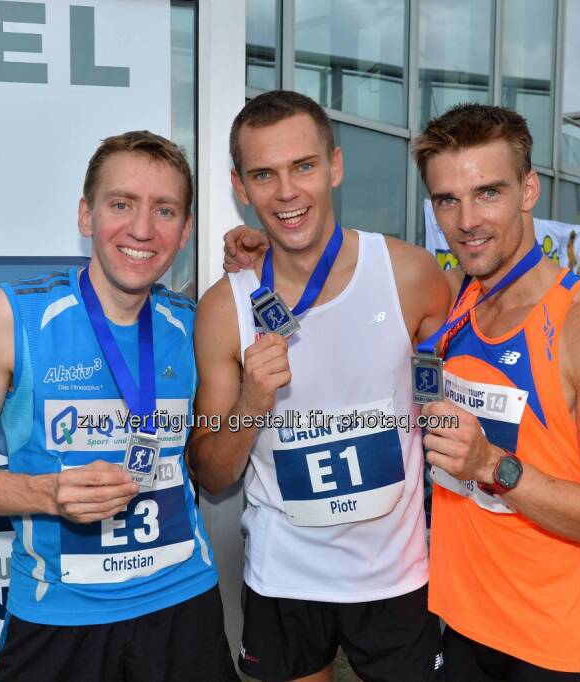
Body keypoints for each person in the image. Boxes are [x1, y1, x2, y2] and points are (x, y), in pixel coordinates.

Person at [0, 131, 237, 682]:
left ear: (185, 230)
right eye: (121, 204)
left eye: (164, 210)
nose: (142, 229)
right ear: (85, 215)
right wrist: (45, 493)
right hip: (60, 616)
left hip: (182, 602)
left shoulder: (192, 325)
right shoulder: (14, 316)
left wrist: (252, 270)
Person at [189, 90, 449, 682]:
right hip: (285, 579)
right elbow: (212, 472)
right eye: (264, 174)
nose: (286, 192)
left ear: (334, 165)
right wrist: (253, 404)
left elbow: (460, 393)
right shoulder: (224, 310)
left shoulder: (411, 276)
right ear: (240, 186)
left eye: (303, 166)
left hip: (398, 577)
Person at [414, 103, 580, 681]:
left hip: (558, 643)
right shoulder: (459, 299)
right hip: (466, 623)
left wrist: (492, 464)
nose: (467, 220)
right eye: (447, 199)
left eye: (488, 193)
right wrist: (263, 251)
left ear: (529, 189)